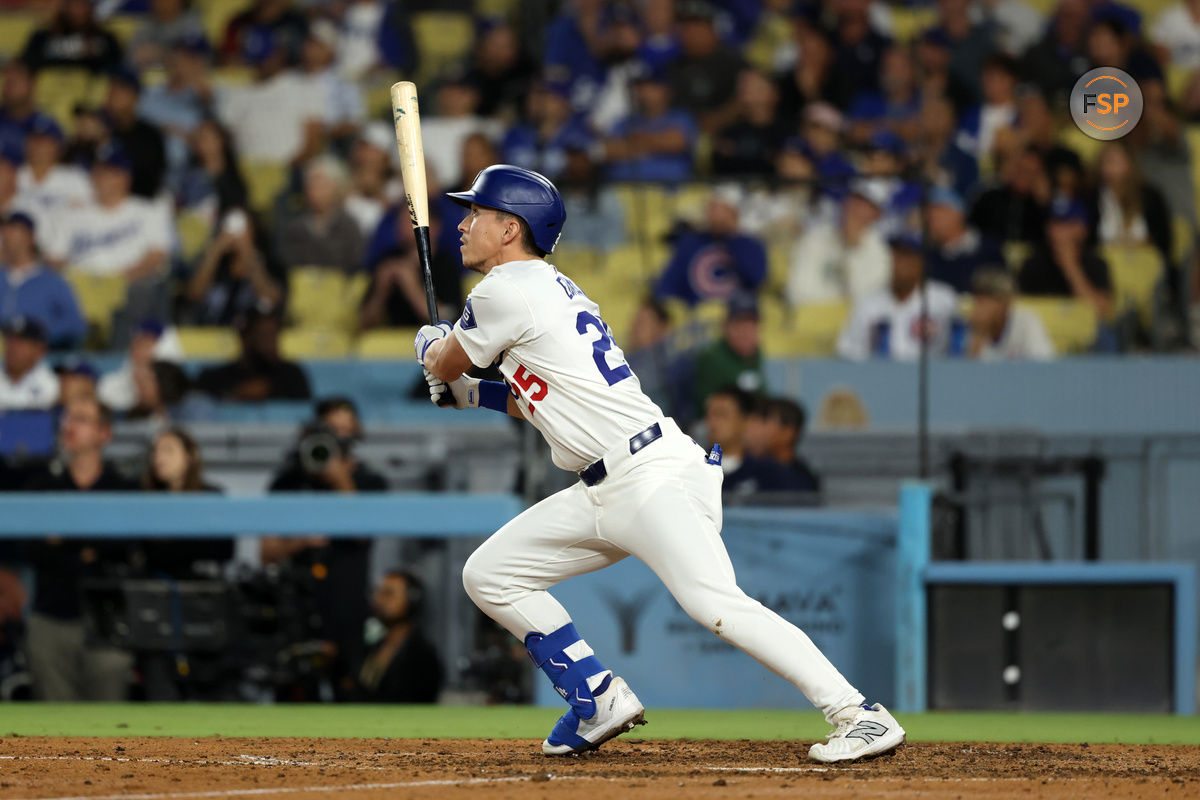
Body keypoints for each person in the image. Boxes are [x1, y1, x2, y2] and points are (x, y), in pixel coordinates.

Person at [417, 164, 904, 761]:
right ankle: (596, 698)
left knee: (716, 604)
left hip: (650, 475)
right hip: (605, 483)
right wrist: (471, 392)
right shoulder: (542, 289)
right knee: (490, 573)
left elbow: (444, 361)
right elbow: (537, 401)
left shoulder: (503, 289)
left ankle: (857, 714)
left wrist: (433, 349)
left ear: (511, 228)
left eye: (477, 214)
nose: (463, 225)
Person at [265, 397, 387, 698]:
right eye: (330, 430)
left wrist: (340, 479)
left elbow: (363, 534)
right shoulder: (288, 481)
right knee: (294, 695)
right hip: (297, 605)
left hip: (347, 605)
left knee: (351, 694)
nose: (337, 438)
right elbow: (266, 552)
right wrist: (300, 542)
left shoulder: (370, 481)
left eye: (345, 430)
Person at [22, 395, 136, 701]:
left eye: (82, 419)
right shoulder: (42, 485)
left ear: (105, 433)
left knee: (110, 728)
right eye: (67, 418)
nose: (69, 426)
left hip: (108, 621)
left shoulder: (124, 488)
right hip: (50, 616)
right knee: (53, 728)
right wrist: (90, 548)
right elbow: (33, 549)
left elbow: (126, 548)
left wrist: (65, 542)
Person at [837, 231, 960, 360]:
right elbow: (848, 351)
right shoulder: (869, 302)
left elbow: (958, 351)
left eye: (907, 256)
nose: (900, 263)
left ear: (922, 262)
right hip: (880, 376)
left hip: (932, 377)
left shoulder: (944, 299)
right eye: (896, 256)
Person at [786, 180, 891, 307]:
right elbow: (796, 292)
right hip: (812, 320)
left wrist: (853, 249)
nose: (856, 209)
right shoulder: (815, 238)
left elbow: (866, 301)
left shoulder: (881, 253)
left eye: (867, 205)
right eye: (855, 200)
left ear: (877, 215)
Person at [653, 190, 767, 306]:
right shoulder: (691, 242)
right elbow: (668, 283)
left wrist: (732, 239)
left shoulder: (751, 245)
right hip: (695, 315)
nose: (713, 216)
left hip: (736, 314)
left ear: (733, 213)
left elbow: (756, 279)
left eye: (719, 210)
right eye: (711, 209)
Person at [704, 386, 813, 500]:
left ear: (745, 420)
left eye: (721, 415)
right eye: (708, 415)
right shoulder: (693, 464)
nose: (712, 422)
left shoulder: (771, 473)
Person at [184, 208, 285, 326]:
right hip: (212, 331)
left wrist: (250, 258)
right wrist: (215, 253)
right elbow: (193, 295)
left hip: (250, 335)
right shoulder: (210, 261)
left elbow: (271, 300)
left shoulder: (270, 261)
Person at [354, 570, 443, 703]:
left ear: (412, 599)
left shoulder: (422, 655)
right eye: (378, 592)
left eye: (389, 593)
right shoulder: (370, 647)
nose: (379, 599)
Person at [0, 211, 85, 348]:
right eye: (5, 233)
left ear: (30, 237)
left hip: (36, 353)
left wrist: (36, 334)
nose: (8, 238)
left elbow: (75, 324)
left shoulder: (52, 280)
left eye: (14, 233)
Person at [1017, 197, 1113, 319]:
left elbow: (1100, 312)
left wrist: (1070, 267)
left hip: (1084, 334)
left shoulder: (1096, 263)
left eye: (1068, 224)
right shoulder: (1033, 263)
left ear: (1083, 229)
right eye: (1055, 224)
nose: (1059, 232)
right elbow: (1019, 311)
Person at [194, 304, 311, 401]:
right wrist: (236, 395)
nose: (271, 344)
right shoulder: (214, 379)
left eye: (274, 336)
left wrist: (272, 390)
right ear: (245, 338)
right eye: (264, 336)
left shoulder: (292, 376)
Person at [277, 156, 364, 274]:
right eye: (311, 186)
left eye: (322, 186)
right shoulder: (295, 228)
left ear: (337, 188)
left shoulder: (349, 227)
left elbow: (356, 263)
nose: (315, 192)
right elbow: (287, 263)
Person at [690, 292, 766, 417]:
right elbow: (708, 407)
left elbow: (760, 395)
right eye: (739, 324)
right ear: (726, 326)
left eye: (751, 325)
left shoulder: (756, 354)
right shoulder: (711, 357)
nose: (745, 332)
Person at [104, 69, 167, 199]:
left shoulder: (150, 136)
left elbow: (151, 182)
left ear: (135, 97)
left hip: (135, 207)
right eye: (112, 89)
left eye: (120, 90)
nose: (112, 94)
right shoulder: (99, 130)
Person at [967, 268, 1055, 360]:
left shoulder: (1026, 321)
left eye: (983, 302)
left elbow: (1043, 364)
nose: (979, 308)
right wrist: (978, 334)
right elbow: (972, 369)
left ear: (1004, 302)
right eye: (977, 301)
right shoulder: (976, 326)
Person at [19, 0, 123, 74]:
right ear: (64, 7)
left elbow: (117, 71)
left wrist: (91, 58)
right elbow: (25, 67)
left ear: (90, 8)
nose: (78, 9)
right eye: (73, 3)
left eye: (83, 4)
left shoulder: (106, 39)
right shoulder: (42, 37)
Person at [0, 316, 58, 410]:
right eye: (10, 340)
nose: (13, 347)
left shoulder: (50, 384)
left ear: (40, 350)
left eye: (21, 343)